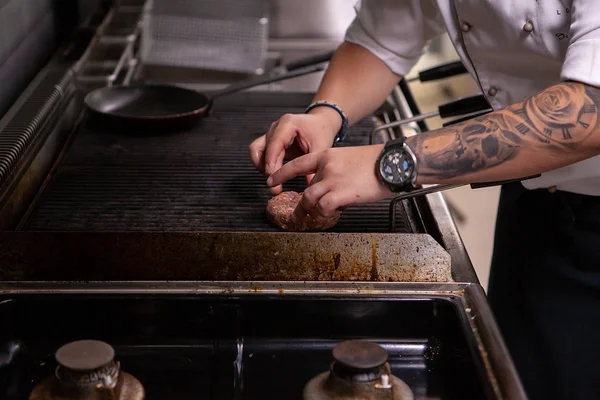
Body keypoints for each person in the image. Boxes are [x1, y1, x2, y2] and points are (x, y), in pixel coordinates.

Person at [249, 1, 600, 399]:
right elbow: (383, 35)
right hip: (537, 193)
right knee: (515, 378)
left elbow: (592, 109)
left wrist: (392, 164)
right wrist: (327, 115)